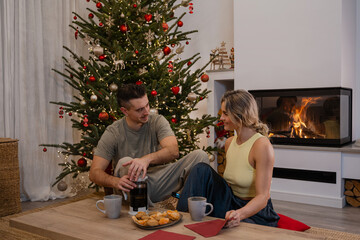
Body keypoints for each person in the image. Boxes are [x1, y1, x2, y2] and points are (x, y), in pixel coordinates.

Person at [89, 83, 209, 204]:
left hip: (155, 180)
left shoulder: (157, 121)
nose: (146, 111)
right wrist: (115, 181)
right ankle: (145, 213)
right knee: (125, 162)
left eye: (147, 105)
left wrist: (146, 160)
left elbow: (173, 151)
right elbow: (94, 172)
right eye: (140, 109)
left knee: (200, 156)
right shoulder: (113, 132)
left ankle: (181, 205)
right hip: (131, 186)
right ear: (125, 111)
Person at [177, 89, 280, 227]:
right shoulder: (229, 142)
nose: (221, 118)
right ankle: (180, 219)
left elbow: (263, 197)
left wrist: (239, 214)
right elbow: (229, 184)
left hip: (255, 212)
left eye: (225, 113)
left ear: (240, 115)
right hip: (231, 201)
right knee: (200, 169)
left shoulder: (261, 146)